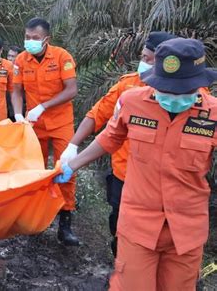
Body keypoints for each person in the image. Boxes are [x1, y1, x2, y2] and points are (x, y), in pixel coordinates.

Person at [54, 38, 217, 290]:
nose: (173, 96)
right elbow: (109, 138)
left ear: (199, 84)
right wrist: (72, 164)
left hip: (187, 230)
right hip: (138, 224)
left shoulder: (213, 114)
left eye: (181, 91)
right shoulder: (132, 101)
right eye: (167, 89)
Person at [60, 31, 176, 257]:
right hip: (124, 174)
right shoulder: (127, 87)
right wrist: (73, 147)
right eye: (144, 57)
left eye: (151, 59)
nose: (145, 63)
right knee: (119, 226)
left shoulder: (192, 96)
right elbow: (98, 117)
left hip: (165, 182)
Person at [11, 17, 79, 246]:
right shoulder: (20, 60)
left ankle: (65, 223)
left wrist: (43, 106)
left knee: (66, 168)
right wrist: (19, 115)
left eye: (35, 38)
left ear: (46, 39)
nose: (30, 41)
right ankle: (36, 220)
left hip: (60, 123)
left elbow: (71, 90)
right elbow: (17, 91)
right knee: (34, 171)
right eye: (27, 38)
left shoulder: (62, 57)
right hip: (34, 125)